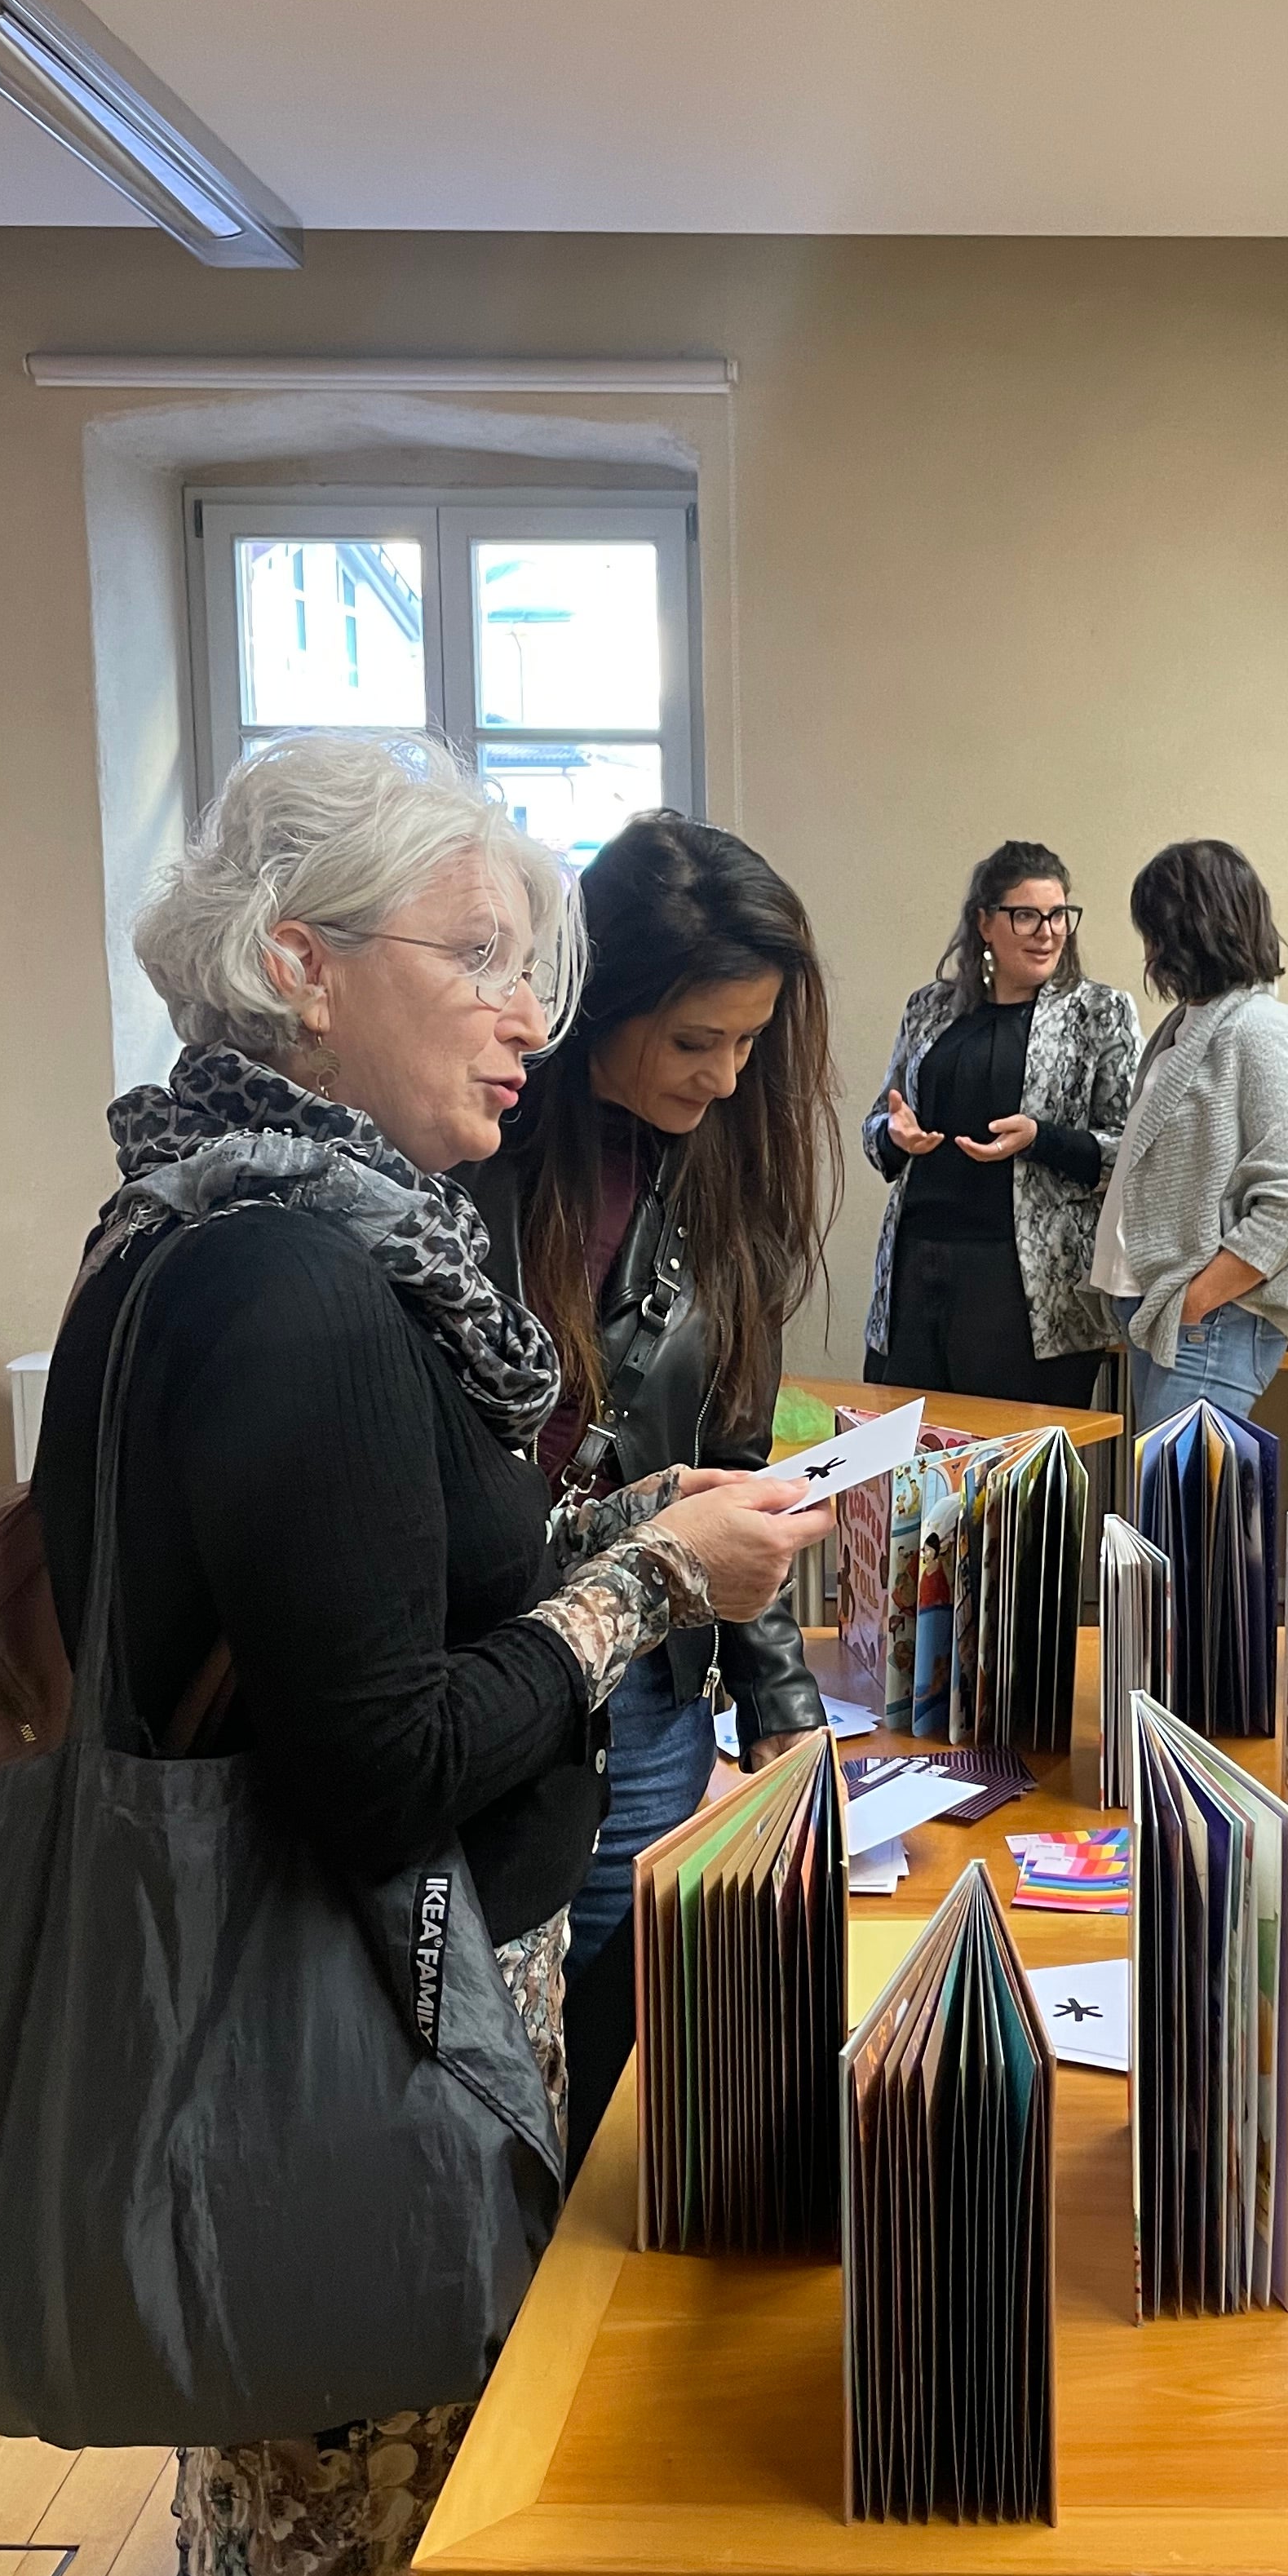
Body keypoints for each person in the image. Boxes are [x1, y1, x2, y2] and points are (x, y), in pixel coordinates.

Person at [33, 737, 828, 2576]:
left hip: (316, 2019)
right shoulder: (293, 1276)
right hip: (317, 2042)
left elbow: (371, 1601)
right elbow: (378, 1758)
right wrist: (652, 1587)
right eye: (477, 957)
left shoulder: (244, 1216)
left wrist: (609, 1523)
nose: (526, 1013)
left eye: (535, 962)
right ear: (300, 970)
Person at [469, 810, 843, 2179]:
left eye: (749, 1043)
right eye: (695, 1042)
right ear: (597, 1001)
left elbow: (736, 1458)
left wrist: (782, 1704)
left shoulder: (717, 1172)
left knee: (625, 2042)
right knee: (498, 2063)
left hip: (655, 1680)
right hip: (499, 1668)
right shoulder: (477, 1164)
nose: (727, 1075)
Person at [863, 838, 1140, 1409]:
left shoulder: (1099, 1013)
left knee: (1013, 1478)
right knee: (903, 1461)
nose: (1048, 931)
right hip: (918, 1270)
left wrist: (1043, 1139)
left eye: (1059, 914)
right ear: (985, 923)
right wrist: (893, 1136)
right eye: (1026, 916)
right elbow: (878, 1120)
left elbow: (1133, 1149)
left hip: (1027, 1288)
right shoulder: (930, 1008)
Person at [1092, 838, 1288, 1433]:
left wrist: (1197, 1300)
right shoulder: (1188, 1024)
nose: (1148, 950)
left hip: (1208, 1322)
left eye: (1154, 930)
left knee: (1178, 1517)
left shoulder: (1258, 1030)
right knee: (1170, 1513)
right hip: (1167, 1313)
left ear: (1187, 931)